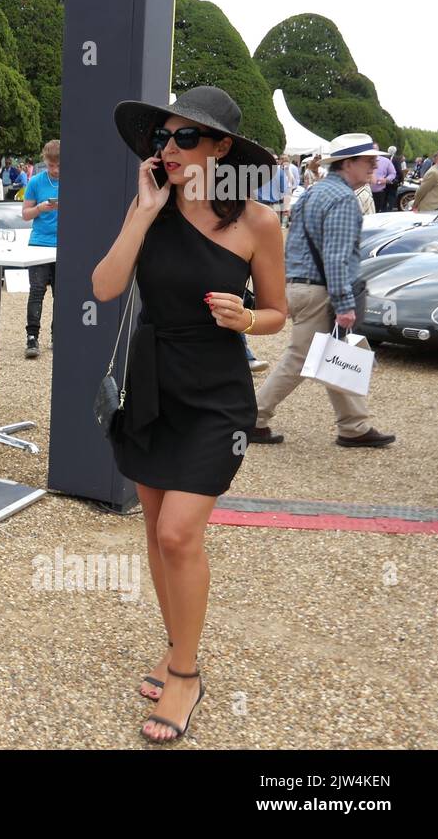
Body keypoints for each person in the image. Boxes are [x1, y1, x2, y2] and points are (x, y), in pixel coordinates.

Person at [94, 86, 287, 743]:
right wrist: (142, 215)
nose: (167, 150)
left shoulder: (258, 223)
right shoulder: (151, 204)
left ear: (221, 148)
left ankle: (184, 670)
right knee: (155, 529)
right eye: (161, 139)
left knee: (179, 532)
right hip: (152, 388)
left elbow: (278, 313)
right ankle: (177, 639)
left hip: (217, 398)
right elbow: (104, 286)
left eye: (184, 138)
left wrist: (247, 316)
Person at [249, 133, 396, 449]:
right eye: (368, 160)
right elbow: (337, 256)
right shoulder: (343, 199)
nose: (374, 165)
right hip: (320, 292)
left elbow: (300, 243)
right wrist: (344, 303)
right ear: (348, 163)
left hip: (303, 287)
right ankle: (252, 417)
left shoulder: (315, 192)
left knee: (340, 354)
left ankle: (354, 426)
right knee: (303, 359)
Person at [21, 139, 61, 358]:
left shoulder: (75, 181)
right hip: (39, 243)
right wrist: (40, 208)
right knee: (37, 291)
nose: (54, 170)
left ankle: (58, 335)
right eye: (51, 165)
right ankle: (32, 337)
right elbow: (25, 214)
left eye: (59, 166)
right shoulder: (36, 181)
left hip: (64, 245)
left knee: (61, 294)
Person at [370, 143, 394, 212]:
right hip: (366, 191)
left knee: (378, 212)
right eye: (372, 149)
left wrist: (386, 179)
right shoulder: (363, 161)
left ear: (378, 150)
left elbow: (393, 173)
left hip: (379, 192)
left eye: (375, 148)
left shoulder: (386, 161)